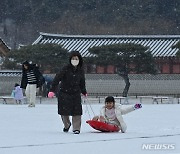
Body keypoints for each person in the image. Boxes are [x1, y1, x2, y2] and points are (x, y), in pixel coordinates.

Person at [48, 51, 87, 134]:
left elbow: (82, 82)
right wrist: (52, 90)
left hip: (76, 92)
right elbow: (57, 78)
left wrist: (83, 91)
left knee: (77, 111)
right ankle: (67, 124)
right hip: (64, 92)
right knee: (64, 111)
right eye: (73, 58)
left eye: (76, 59)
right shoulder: (65, 68)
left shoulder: (80, 70)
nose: (74, 60)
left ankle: (76, 128)